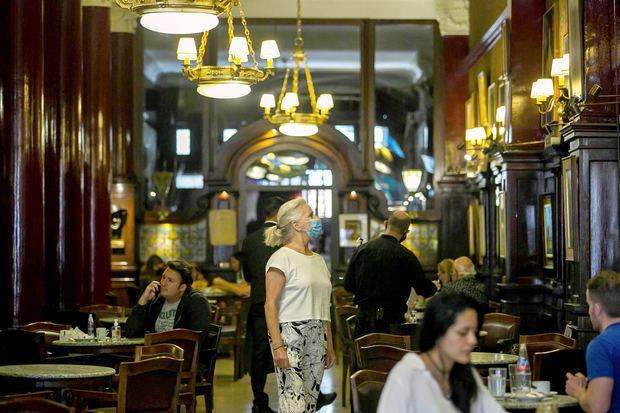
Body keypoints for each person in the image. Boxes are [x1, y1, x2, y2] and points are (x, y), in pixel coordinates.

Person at [377, 292, 506, 413]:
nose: (473, 340)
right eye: (463, 333)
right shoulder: (407, 375)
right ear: (438, 332)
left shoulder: (466, 374)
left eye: (474, 332)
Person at [264, 198, 336, 413]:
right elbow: (269, 305)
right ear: (296, 224)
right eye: (310, 214)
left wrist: (329, 344)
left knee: (310, 403)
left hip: (318, 333)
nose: (316, 219)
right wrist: (277, 345)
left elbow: (325, 307)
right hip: (290, 334)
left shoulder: (318, 260)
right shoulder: (281, 258)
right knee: (294, 404)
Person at [344, 210, 438, 337]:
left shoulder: (362, 249)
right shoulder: (406, 256)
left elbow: (348, 285)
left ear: (386, 223)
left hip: (363, 323)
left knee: (364, 356)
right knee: (392, 357)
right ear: (406, 233)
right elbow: (424, 290)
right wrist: (434, 286)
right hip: (391, 325)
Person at [240, 196, 283, 413]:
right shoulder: (285, 239)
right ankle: (292, 399)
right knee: (287, 348)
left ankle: (259, 401)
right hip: (284, 304)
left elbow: (247, 275)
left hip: (258, 301)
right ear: (280, 213)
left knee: (258, 352)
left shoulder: (249, 240)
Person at [565, 270, 620, 413]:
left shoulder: (601, 346)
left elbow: (597, 407)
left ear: (597, 308)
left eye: (589, 304)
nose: (589, 311)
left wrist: (578, 391)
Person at [126, 260, 211, 338]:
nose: (163, 283)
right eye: (163, 278)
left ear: (182, 287)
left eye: (170, 280)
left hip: (178, 353)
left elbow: (194, 340)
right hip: (155, 352)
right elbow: (131, 332)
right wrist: (143, 300)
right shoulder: (158, 300)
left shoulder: (197, 302)